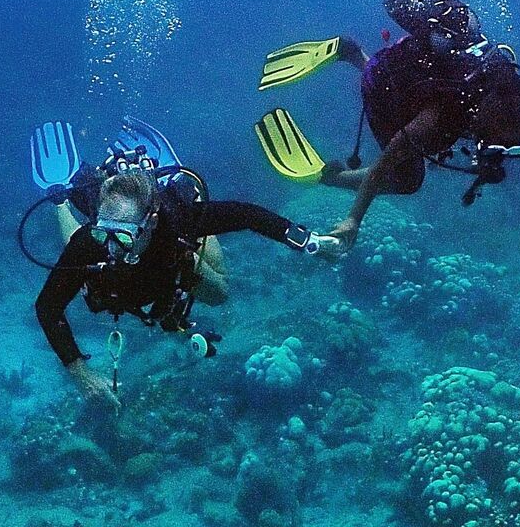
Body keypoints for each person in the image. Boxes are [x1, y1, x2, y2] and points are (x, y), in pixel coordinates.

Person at [256, 0, 520, 251]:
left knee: (410, 119)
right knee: (407, 180)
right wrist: (353, 220)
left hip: (413, 71)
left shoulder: (507, 104)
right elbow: (383, 165)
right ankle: (331, 177)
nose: (500, 148)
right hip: (383, 81)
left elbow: (497, 143)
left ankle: (351, 52)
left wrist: (489, 165)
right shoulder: (439, 116)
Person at [35, 157, 340, 407]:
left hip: (171, 254)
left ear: (151, 222)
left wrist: (307, 241)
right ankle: (61, 202)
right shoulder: (92, 241)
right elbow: (48, 307)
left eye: (123, 237)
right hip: (115, 276)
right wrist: (81, 374)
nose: (112, 248)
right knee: (78, 248)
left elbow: (246, 215)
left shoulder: (176, 221)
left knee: (219, 292)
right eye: (104, 233)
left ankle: (181, 214)